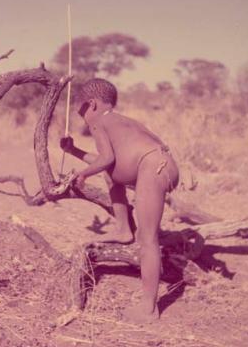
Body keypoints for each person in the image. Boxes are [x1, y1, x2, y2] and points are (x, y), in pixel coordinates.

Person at [60, 78, 179, 322]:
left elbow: (104, 158)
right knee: (110, 176)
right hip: (161, 164)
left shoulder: (99, 122)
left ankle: (148, 309)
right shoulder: (119, 120)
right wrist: (74, 151)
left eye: (81, 109)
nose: (81, 114)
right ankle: (123, 229)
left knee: (148, 239)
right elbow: (111, 161)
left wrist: (82, 174)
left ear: (92, 105)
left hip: (153, 167)